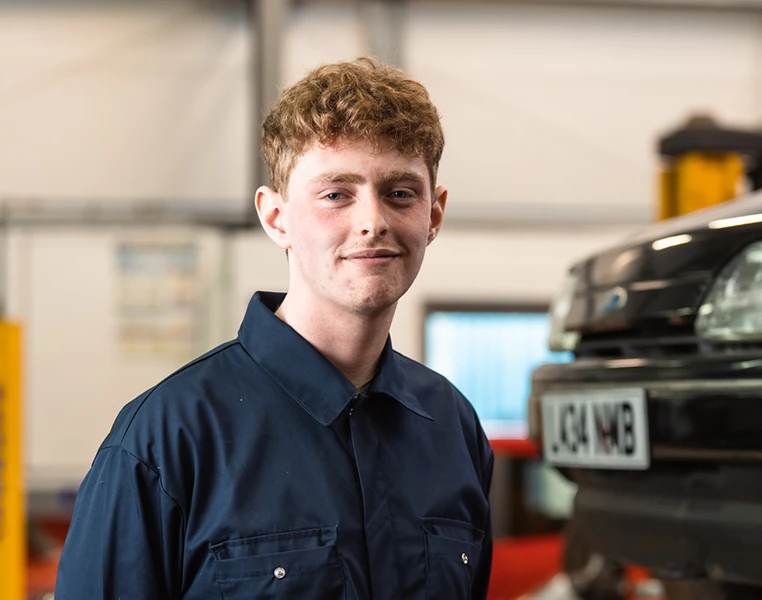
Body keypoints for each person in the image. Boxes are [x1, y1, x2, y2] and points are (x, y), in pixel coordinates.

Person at [55, 57, 494, 599]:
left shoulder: (453, 428)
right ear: (275, 218)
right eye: (336, 193)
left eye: (400, 192)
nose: (372, 221)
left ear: (434, 214)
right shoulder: (164, 440)